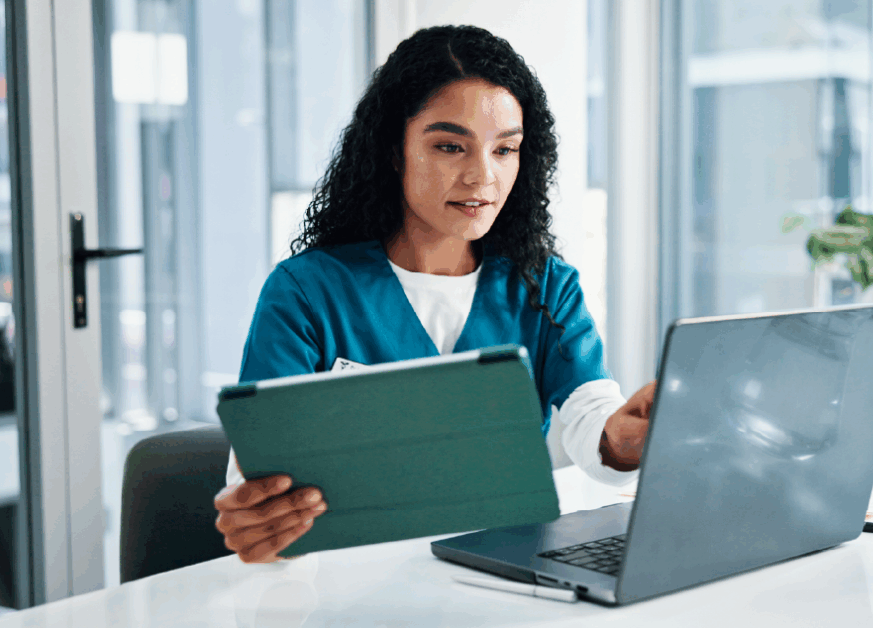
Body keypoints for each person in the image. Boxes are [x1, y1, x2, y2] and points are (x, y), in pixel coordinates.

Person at [214, 24, 656, 564]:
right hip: (344, 581)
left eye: (505, 149)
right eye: (450, 146)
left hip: (496, 575)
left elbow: (592, 414)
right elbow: (259, 459)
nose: (482, 177)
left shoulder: (544, 287)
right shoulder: (307, 291)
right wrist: (253, 512)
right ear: (394, 150)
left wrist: (627, 436)